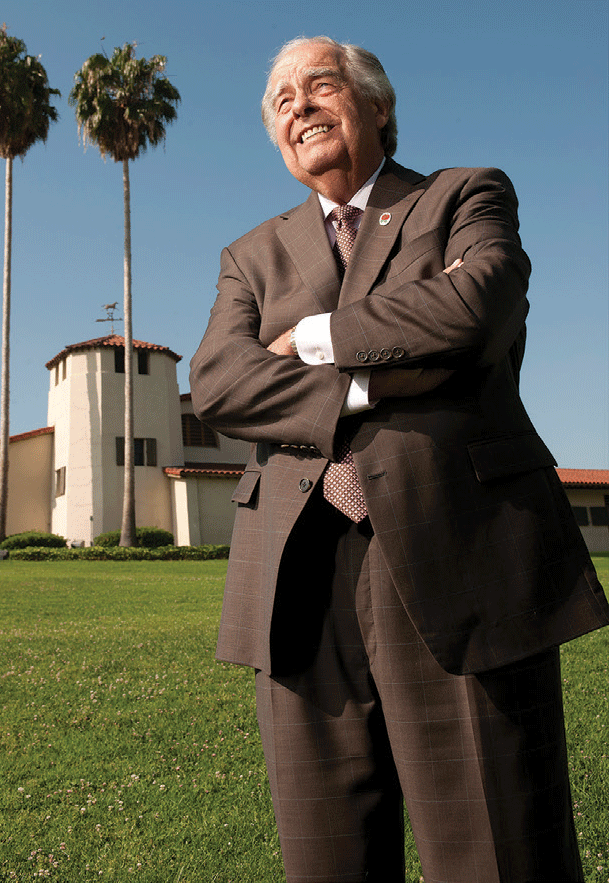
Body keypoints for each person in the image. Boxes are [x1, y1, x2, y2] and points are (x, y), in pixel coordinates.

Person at [190, 36, 609, 883]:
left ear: (377, 105)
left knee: (501, 851)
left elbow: (475, 308)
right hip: (298, 580)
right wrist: (366, 386)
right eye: (280, 100)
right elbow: (219, 382)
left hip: (462, 552)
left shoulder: (463, 195)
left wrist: (313, 340)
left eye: (318, 85)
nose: (297, 106)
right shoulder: (251, 255)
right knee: (326, 860)